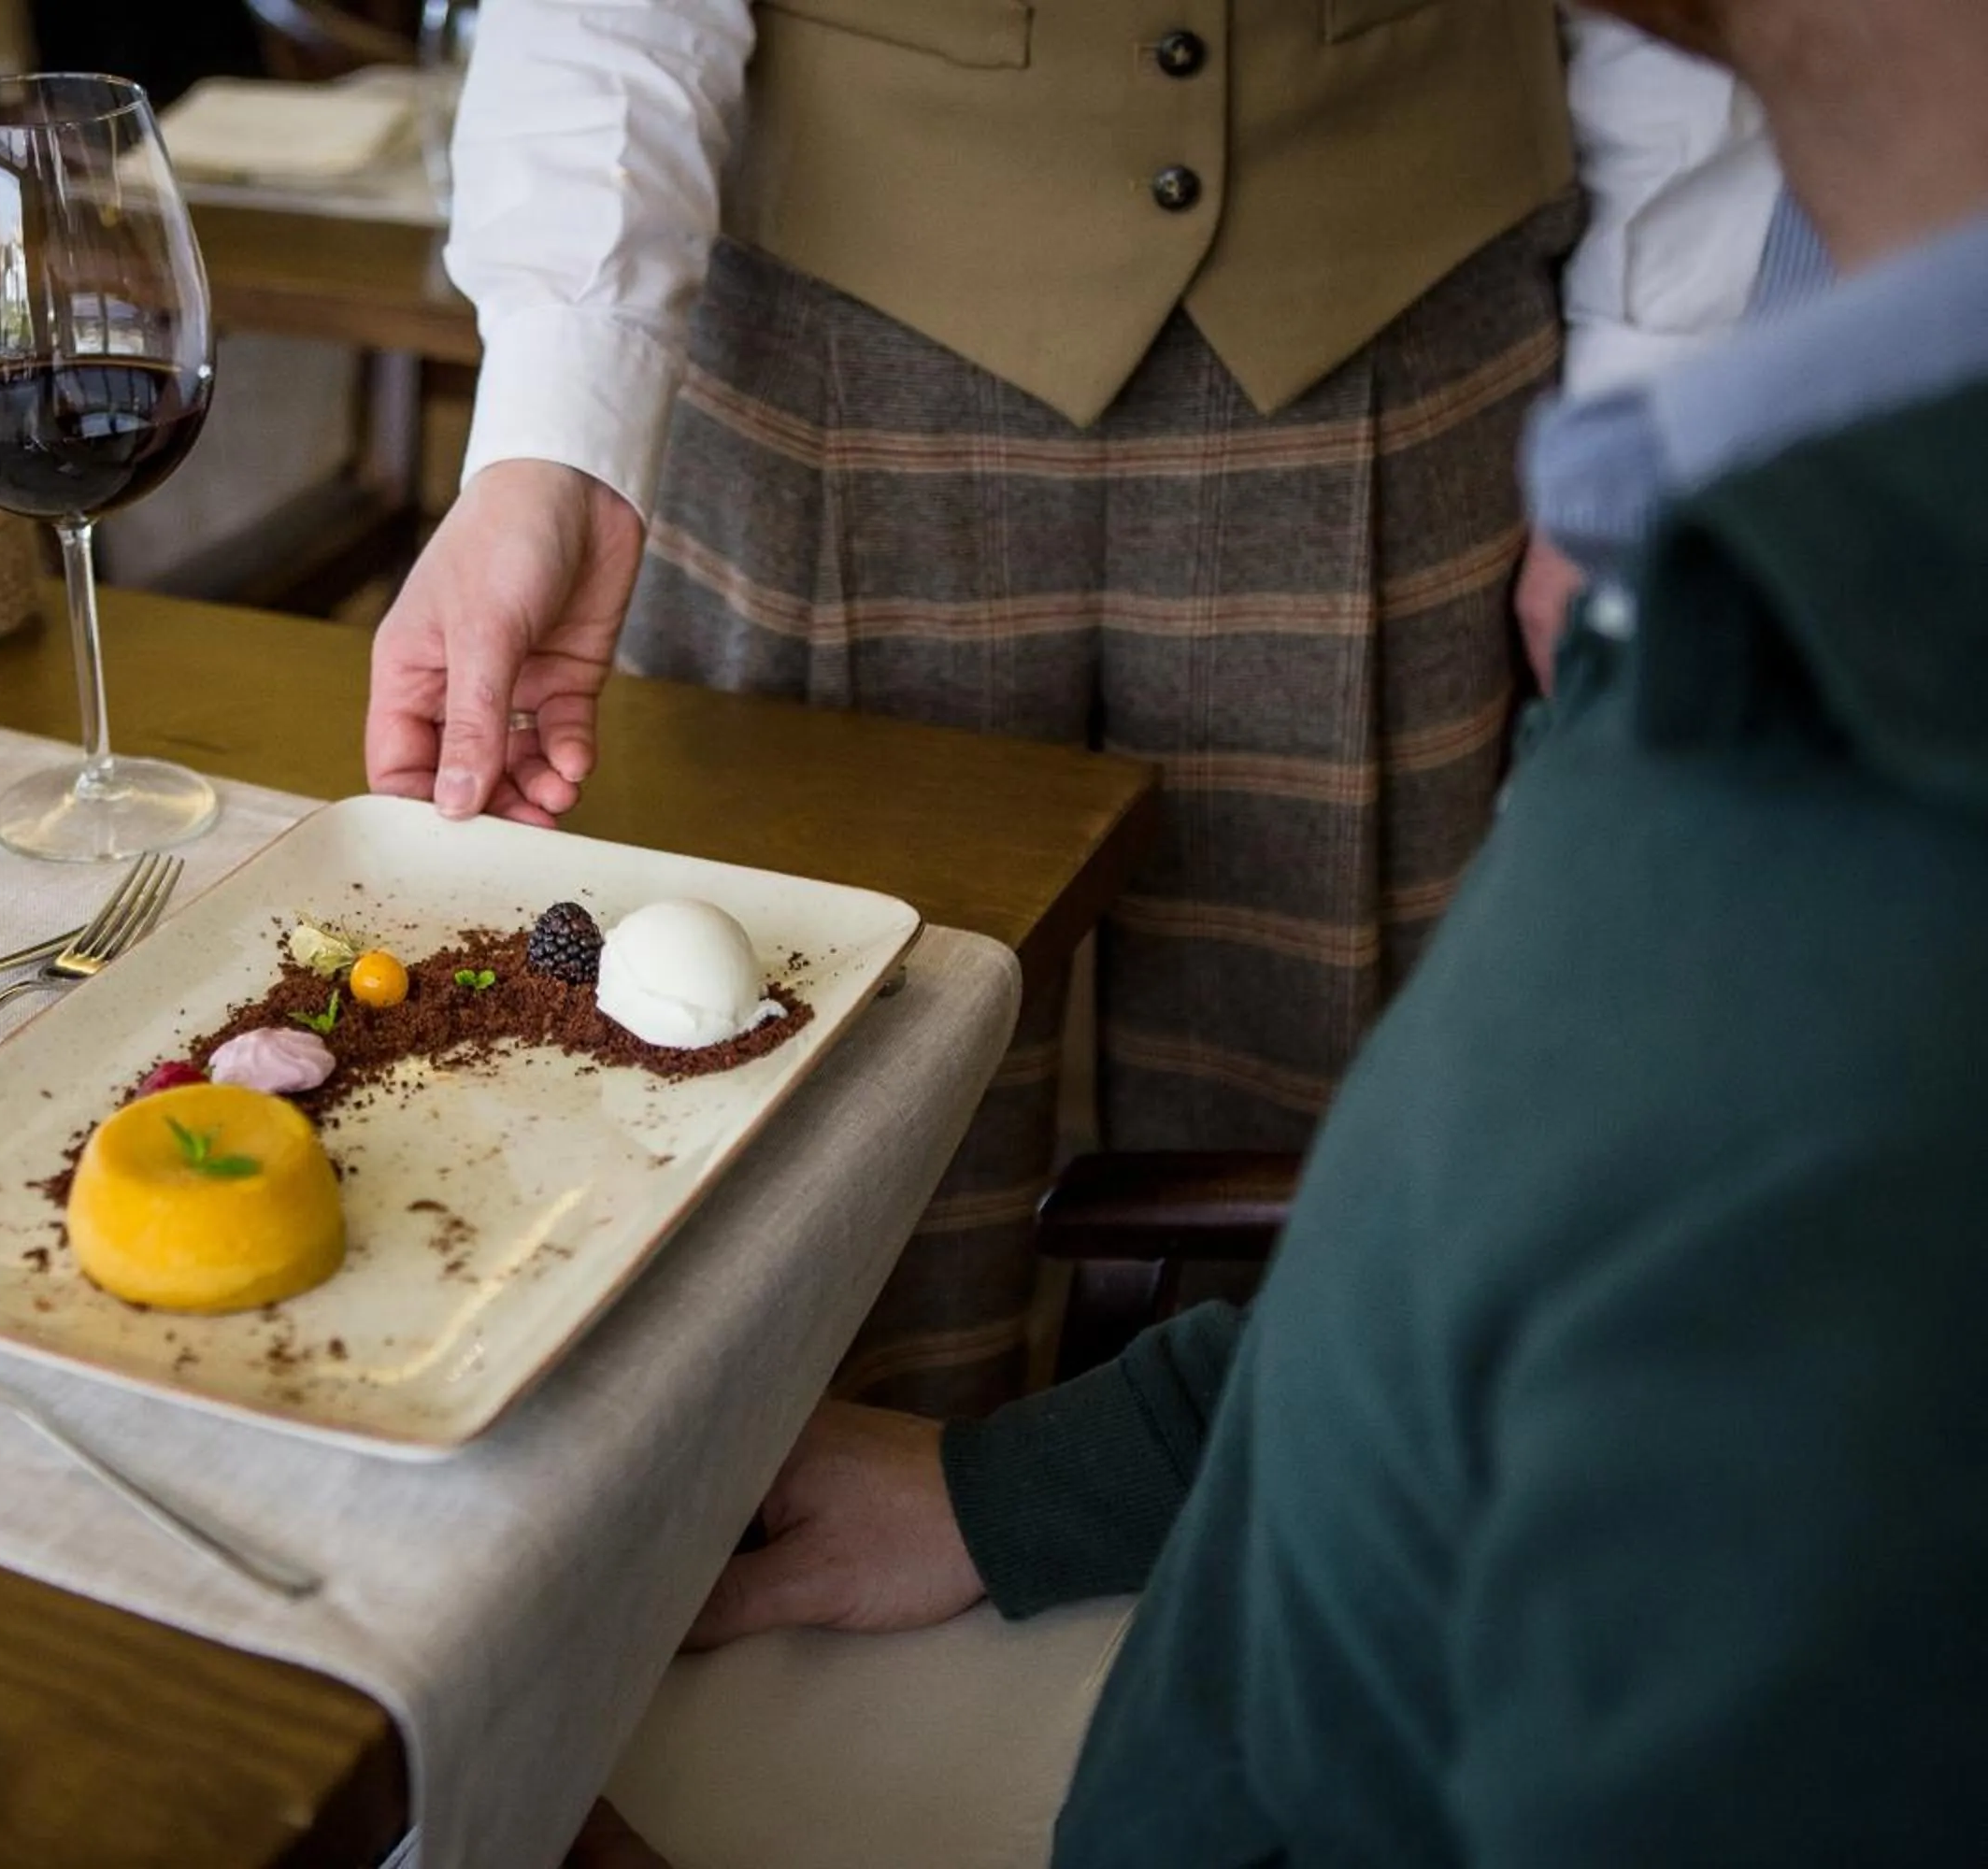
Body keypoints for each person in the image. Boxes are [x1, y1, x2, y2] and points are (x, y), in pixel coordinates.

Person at [557, 0, 1988, 1861]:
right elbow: (1441, 1261)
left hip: (1393, 324)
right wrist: (1024, 1490)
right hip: (851, 335)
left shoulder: (1811, 818)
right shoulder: (1764, 675)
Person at [367, 2, 1775, 1411]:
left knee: (1329, 1153)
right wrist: (554, 433)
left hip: (1400, 324)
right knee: (820, 1108)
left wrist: (1649, 407)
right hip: (835, 356)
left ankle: (1247, 1588)